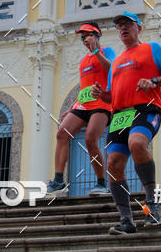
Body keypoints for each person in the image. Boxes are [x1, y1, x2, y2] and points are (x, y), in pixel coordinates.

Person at [91, 11, 161, 234]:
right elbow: (111, 96)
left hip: (147, 108)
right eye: (119, 25)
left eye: (128, 24)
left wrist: (153, 81)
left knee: (137, 143)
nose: (123, 28)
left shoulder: (153, 48)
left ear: (138, 27)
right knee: (113, 164)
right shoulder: (116, 62)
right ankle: (126, 221)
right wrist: (101, 94)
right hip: (120, 115)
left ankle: (152, 204)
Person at [47, 22, 115, 196]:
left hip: (101, 102)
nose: (85, 39)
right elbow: (84, 86)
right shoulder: (84, 60)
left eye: (88, 36)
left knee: (90, 138)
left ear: (97, 35)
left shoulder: (107, 52)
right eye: (82, 37)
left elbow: (112, 71)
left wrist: (96, 52)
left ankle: (101, 183)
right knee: (62, 133)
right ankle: (59, 181)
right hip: (83, 104)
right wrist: (72, 107)